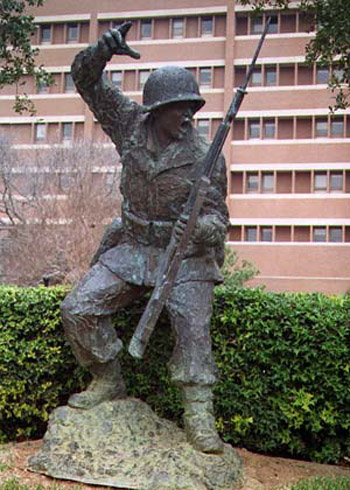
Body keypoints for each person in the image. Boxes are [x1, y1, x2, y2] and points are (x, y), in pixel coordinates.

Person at [61, 22, 229, 454]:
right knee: (78, 309)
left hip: (185, 256)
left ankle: (198, 412)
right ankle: (108, 378)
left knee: (194, 325)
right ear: (158, 109)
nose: (190, 116)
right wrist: (102, 51)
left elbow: (219, 221)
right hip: (133, 247)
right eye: (181, 109)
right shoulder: (128, 123)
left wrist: (197, 231)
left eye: (193, 107)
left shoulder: (205, 157)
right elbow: (84, 79)